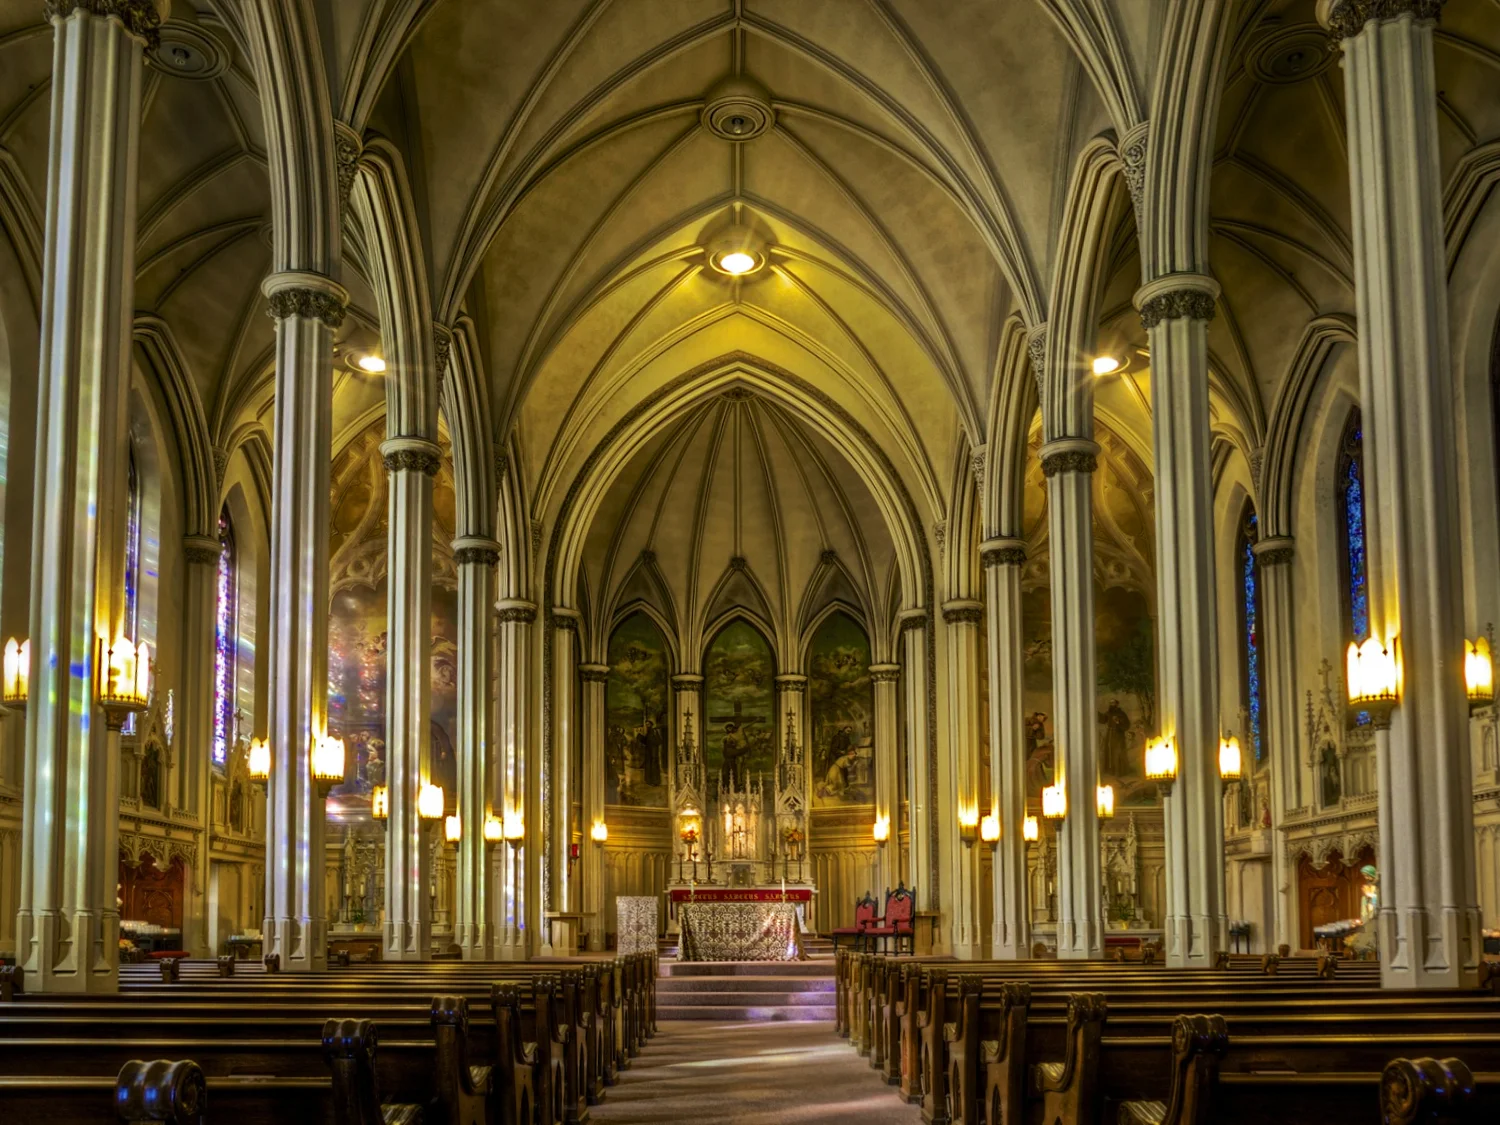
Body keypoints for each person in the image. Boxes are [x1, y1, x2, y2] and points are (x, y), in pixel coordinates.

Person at [1098, 698, 1131, 777]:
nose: (1111, 704)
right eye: (1110, 703)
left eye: (1113, 703)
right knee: (1109, 752)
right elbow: (1103, 720)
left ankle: (1119, 772)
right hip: (1109, 734)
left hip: (1118, 735)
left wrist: (1118, 722)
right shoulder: (1108, 713)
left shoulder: (1121, 713)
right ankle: (1110, 771)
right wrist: (1097, 713)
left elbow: (1126, 725)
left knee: (1118, 752)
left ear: (1116, 704)